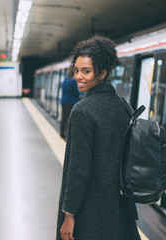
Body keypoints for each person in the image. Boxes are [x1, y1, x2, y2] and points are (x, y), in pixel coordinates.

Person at [56, 36, 141, 240]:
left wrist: (69, 214)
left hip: (90, 212)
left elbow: (78, 170)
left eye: (86, 71)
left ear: (102, 73)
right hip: (120, 208)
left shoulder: (82, 112)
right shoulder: (123, 106)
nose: (78, 76)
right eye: (76, 70)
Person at [60, 74, 79, 140]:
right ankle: (67, 134)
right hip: (71, 102)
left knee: (64, 118)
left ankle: (62, 133)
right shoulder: (73, 81)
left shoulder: (65, 80)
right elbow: (76, 92)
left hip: (63, 101)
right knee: (69, 118)